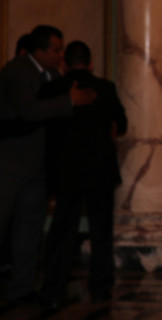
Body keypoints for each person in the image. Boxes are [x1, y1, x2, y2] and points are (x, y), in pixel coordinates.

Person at [0, 25, 96, 307]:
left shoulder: (54, 75)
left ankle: (20, 289)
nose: (61, 55)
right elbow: (28, 111)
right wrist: (69, 101)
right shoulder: (17, 71)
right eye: (56, 50)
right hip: (9, 165)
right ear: (39, 51)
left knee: (29, 232)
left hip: (38, 167)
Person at [38, 41, 127, 309]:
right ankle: (100, 288)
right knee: (101, 232)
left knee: (62, 230)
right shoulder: (105, 88)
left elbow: (45, 129)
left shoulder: (53, 88)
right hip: (100, 170)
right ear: (90, 63)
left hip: (66, 171)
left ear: (65, 63)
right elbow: (122, 124)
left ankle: (54, 290)